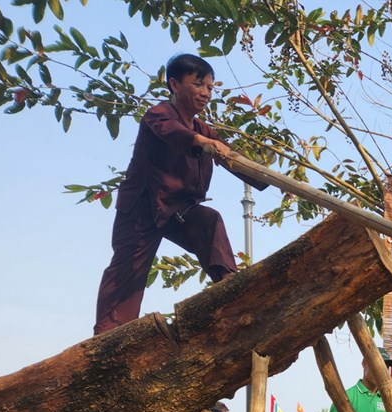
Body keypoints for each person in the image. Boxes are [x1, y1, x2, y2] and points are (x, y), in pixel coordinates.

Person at [94, 53, 266, 335]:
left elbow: (231, 157)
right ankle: (108, 336)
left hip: (180, 209)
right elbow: (173, 133)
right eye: (198, 84)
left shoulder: (203, 128)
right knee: (128, 272)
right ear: (174, 84)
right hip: (143, 208)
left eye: (210, 88)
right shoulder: (158, 115)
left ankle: (232, 289)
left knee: (209, 221)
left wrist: (264, 177)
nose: (205, 93)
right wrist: (204, 143)